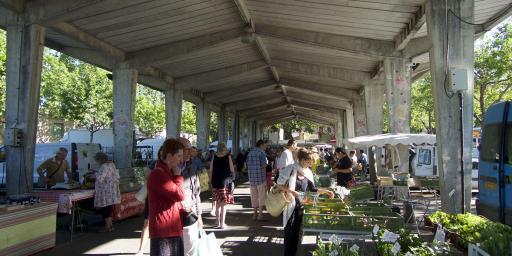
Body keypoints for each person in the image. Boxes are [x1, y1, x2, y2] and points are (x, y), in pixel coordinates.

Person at [277, 149, 334, 256]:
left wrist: (327, 191)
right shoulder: (290, 169)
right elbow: (278, 184)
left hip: (301, 208)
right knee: (290, 236)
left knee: (297, 236)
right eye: (309, 162)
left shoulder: (307, 172)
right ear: (302, 160)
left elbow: (313, 190)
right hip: (289, 207)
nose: (310, 164)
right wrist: (291, 191)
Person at [147, 138, 186, 256]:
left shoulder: (166, 173)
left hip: (171, 229)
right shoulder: (158, 174)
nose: (181, 160)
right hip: (164, 232)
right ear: (169, 156)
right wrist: (178, 176)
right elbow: (179, 195)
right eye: (179, 156)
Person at [178, 138, 203, 256]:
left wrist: (199, 216)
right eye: (186, 149)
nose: (189, 152)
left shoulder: (191, 166)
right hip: (174, 218)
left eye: (190, 149)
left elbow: (196, 193)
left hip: (190, 216)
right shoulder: (169, 169)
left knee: (191, 250)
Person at [93, 152, 121, 233]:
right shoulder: (112, 164)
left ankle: (107, 227)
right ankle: (110, 225)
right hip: (111, 190)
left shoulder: (103, 166)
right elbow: (116, 176)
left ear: (99, 159)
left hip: (105, 191)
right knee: (109, 208)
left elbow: (101, 178)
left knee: (105, 209)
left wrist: (94, 174)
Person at [209, 142, 235, 229]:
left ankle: (217, 221)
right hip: (224, 182)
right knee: (223, 204)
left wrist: (210, 181)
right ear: (225, 148)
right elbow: (232, 169)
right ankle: (222, 224)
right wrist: (233, 177)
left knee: (217, 203)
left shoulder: (214, 156)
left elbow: (211, 169)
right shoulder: (228, 156)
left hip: (215, 182)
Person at [246, 139, 269, 221]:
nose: (266, 146)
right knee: (262, 197)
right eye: (265, 145)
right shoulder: (262, 153)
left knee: (254, 197)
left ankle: (254, 214)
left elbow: (247, 165)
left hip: (252, 178)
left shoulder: (250, 153)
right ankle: (260, 215)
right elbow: (264, 165)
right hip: (260, 178)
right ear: (261, 145)